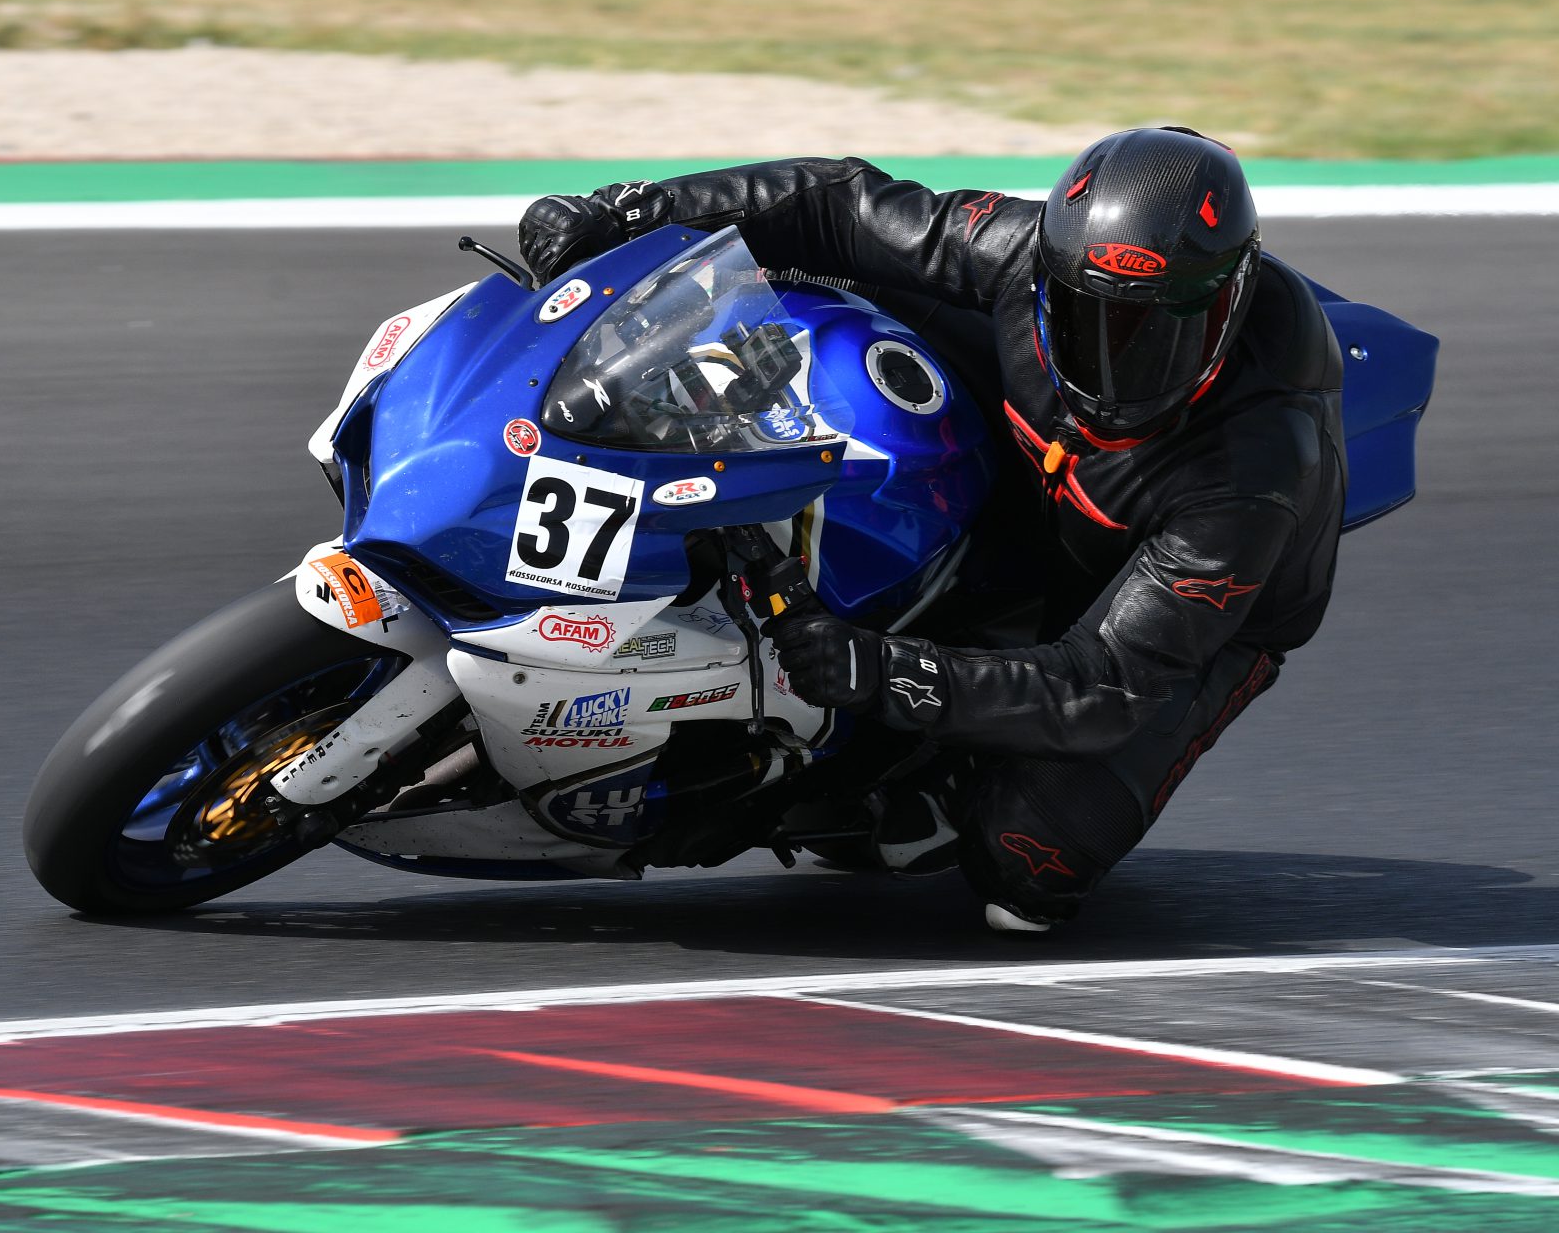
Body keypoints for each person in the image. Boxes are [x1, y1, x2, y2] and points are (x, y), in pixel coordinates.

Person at [517, 129, 1346, 932]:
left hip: (1183, 622)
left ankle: (935, 787)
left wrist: (880, 670)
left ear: (1230, 305)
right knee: (816, 275)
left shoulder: (1253, 472)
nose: (1115, 362)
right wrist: (630, 212)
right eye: (1085, 315)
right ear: (1052, 271)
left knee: (1028, 868)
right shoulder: (1023, 250)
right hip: (1036, 472)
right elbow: (842, 203)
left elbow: (1105, 688)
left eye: (1157, 333)